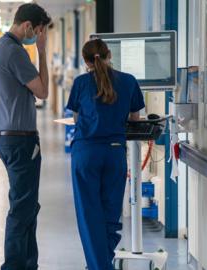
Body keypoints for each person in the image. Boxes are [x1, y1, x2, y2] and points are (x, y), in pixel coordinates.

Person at [66, 39, 145, 270]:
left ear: (85, 60)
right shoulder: (128, 81)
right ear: (109, 54)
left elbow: (77, 119)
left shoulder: (80, 83)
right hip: (114, 153)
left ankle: (100, 266)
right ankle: (100, 264)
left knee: (89, 215)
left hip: (86, 154)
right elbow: (135, 119)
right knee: (110, 215)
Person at [0, 3, 52, 269]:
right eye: (39, 32)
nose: (39, 37)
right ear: (27, 27)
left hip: (4, 135)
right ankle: (13, 265)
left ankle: (27, 264)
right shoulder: (15, 52)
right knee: (22, 209)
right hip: (20, 140)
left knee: (26, 207)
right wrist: (42, 51)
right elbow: (43, 91)